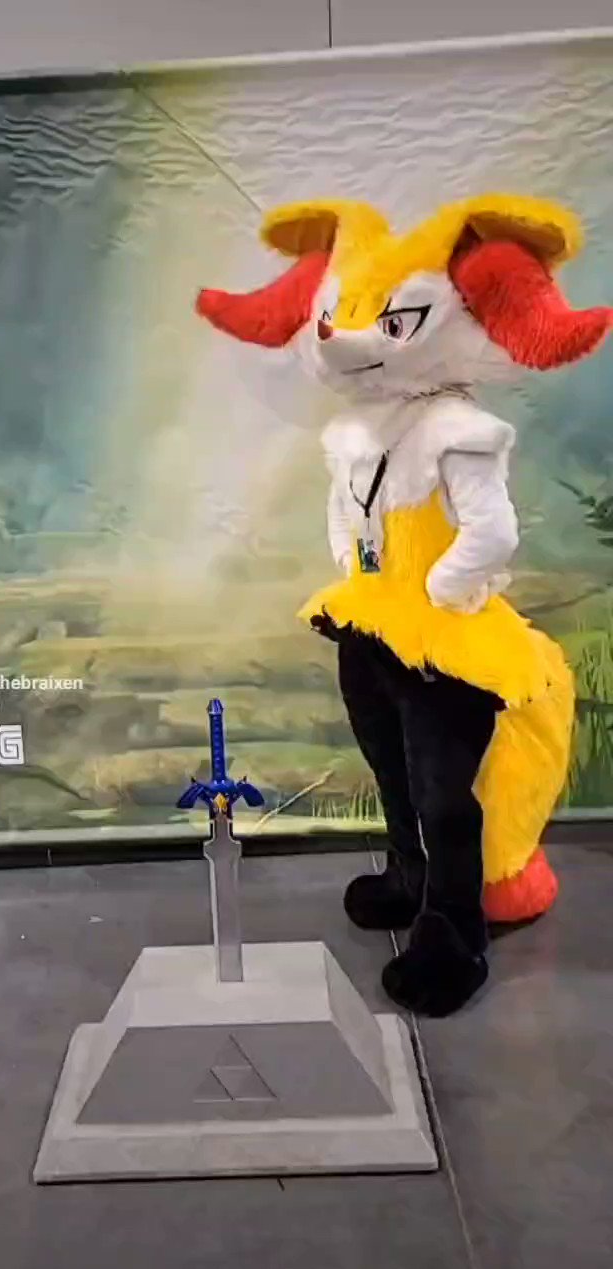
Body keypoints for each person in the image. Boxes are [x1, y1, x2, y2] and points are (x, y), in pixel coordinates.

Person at [196, 194, 612, 1015]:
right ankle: (408, 879)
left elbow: (492, 532)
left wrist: (441, 595)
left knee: (443, 794)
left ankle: (454, 934)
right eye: (336, 318)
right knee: (390, 769)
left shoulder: (457, 430)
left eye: (392, 322)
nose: (343, 339)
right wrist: (355, 577)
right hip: (370, 622)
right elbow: (346, 514)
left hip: (442, 642)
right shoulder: (358, 434)